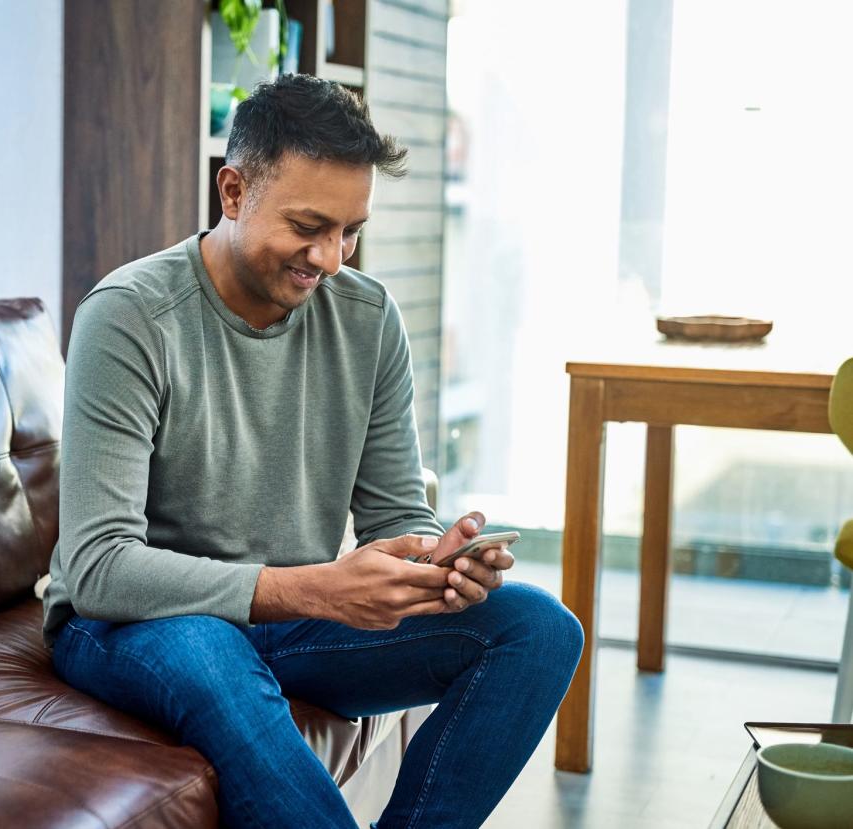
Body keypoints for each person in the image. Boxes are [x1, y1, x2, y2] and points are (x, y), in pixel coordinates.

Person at [42, 74, 583, 829]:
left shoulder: (367, 319)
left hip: (286, 618)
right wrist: (315, 590)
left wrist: (437, 565)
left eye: (350, 230)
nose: (330, 258)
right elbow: (100, 567)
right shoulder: (130, 317)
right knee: (207, 648)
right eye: (309, 225)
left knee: (539, 628)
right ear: (232, 192)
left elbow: (396, 511)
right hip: (131, 623)